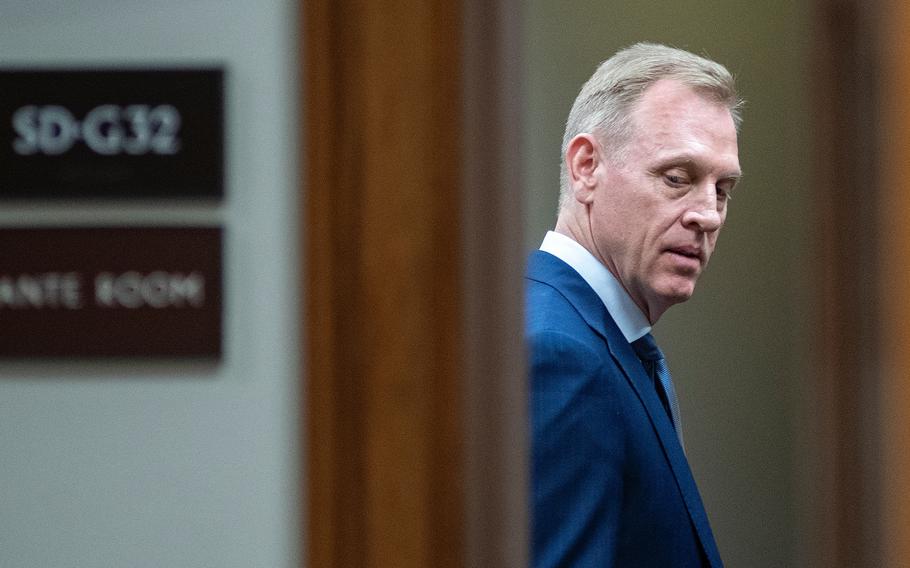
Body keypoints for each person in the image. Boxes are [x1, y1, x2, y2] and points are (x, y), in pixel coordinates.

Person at [526, 42, 742, 567]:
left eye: (723, 188)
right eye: (677, 178)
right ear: (586, 166)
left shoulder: (592, 333)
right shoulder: (561, 354)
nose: (707, 214)